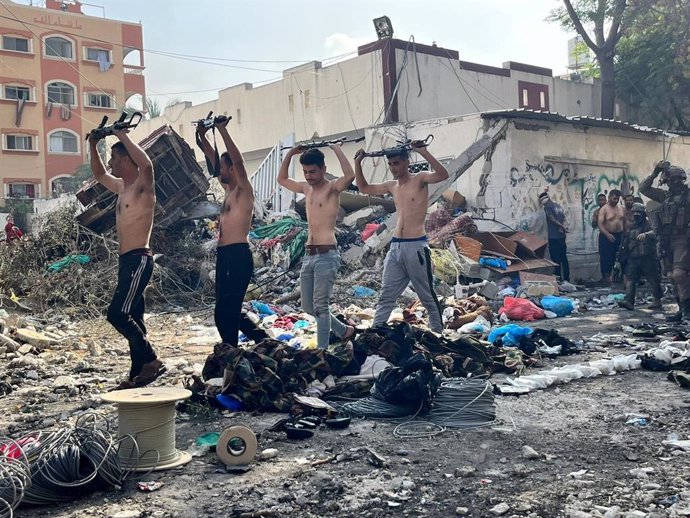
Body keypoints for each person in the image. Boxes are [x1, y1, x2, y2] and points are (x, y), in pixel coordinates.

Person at [89, 129, 165, 390]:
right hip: (126, 262)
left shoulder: (143, 187)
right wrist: (92, 144)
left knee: (117, 314)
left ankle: (151, 359)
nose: (110, 164)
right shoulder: (122, 187)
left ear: (126, 160)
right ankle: (137, 375)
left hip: (139, 259)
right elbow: (99, 175)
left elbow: (146, 163)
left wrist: (122, 136)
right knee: (134, 315)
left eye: (114, 158)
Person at [354, 142, 449, 333]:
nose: (393, 168)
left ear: (406, 162)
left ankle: (438, 334)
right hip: (396, 246)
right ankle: (376, 331)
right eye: (390, 164)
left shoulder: (420, 179)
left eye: (396, 163)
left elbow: (443, 175)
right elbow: (364, 188)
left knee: (427, 296)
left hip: (416, 246)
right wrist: (358, 162)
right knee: (386, 294)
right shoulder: (392, 186)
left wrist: (424, 152)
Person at [196, 119, 268, 347]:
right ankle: (262, 340)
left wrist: (222, 130)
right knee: (228, 311)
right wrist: (202, 134)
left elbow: (237, 160)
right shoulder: (228, 189)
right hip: (224, 256)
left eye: (224, 167)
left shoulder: (243, 191)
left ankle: (231, 352)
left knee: (226, 311)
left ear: (231, 169)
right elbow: (213, 159)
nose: (220, 170)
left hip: (238, 255)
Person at [278, 144, 356, 349]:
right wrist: (291, 154)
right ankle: (344, 330)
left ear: (323, 168)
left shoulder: (332, 188)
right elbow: (282, 179)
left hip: (327, 254)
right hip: (309, 254)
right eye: (305, 172)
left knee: (321, 307)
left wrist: (337, 148)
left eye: (313, 171)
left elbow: (350, 175)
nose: (309, 176)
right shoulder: (306, 189)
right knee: (307, 306)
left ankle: (322, 352)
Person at [639, 161, 690, 322]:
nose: (672, 184)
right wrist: (655, 172)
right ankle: (681, 310)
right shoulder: (664, 196)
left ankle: (687, 311)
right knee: (670, 276)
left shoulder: (688, 196)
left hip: (682, 239)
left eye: (675, 180)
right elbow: (643, 189)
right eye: (669, 181)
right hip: (666, 240)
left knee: (679, 274)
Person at [617, 203, 662, 310]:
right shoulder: (630, 226)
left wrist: (646, 234)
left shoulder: (648, 224)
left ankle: (657, 300)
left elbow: (656, 233)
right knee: (631, 279)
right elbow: (625, 242)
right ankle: (629, 301)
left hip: (648, 257)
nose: (636, 215)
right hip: (633, 258)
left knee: (653, 279)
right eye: (635, 212)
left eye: (639, 213)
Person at [539, 191, 570, 282]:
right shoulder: (558, 206)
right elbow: (564, 218)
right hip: (561, 236)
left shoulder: (547, 207)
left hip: (554, 237)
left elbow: (552, 219)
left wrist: (562, 227)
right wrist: (564, 228)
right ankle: (567, 278)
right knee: (564, 258)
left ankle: (558, 279)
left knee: (556, 259)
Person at [598, 189, 626, 285]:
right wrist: (607, 234)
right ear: (609, 197)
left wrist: (625, 234)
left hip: (619, 235)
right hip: (606, 236)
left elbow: (625, 222)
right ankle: (607, 279)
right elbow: (600, 224)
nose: (616, 201)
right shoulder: (604, 209)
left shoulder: (621, 208)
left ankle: (618, 278)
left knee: (619, 257)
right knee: (606, 258)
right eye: (614, 198)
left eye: (617, 199)